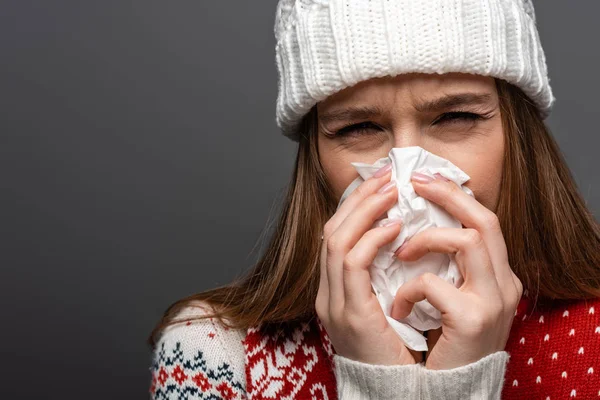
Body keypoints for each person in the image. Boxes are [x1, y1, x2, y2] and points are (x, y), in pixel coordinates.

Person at [148, 0, 600, 399]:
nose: (408, 177)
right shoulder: (212, 349)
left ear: (517, 138)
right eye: (358, 129)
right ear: (316, 158)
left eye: (456, 116)